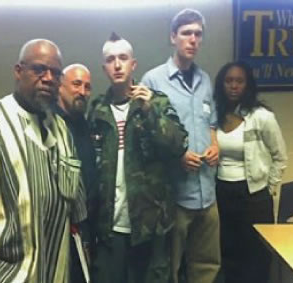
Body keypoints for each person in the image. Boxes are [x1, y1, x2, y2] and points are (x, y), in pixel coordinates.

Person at [0, 39, 86, 283]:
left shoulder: (62, 130)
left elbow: (77, 209)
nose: (48, 78)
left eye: (56, 73)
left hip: (58, 273)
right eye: (39, 69)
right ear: (18, 71)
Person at [88, 32, 188, 283]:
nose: (117, 64)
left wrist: (150, 111)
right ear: (104, 68)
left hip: (150, 225)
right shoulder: (97, 110)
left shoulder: (156, 102)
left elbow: (178, 146)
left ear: (134, 64)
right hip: (110, 227)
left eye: (123, 58)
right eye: (111, 59)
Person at [141, 8, 221, 283]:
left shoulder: (205, 79)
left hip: (207, 193)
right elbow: (145, 141)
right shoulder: (153, 81)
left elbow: (211, 120)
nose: (193, 40)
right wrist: (176, 158)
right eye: (187, 33)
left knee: (207, 266)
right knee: (170, 269)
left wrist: (214, 144)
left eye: (198, 34)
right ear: (173, 37)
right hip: (174, 195)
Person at [213, 61, 287, 283]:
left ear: (247, 85)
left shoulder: (261, 116)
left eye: (239, 81)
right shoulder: (214, 115)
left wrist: (269, 187)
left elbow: (280, 157)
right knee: (228, 252)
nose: (234, 86)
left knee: (255, 255)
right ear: (221, 85)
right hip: (222, 192)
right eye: (229, 81)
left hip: (253, 196)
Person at [55, 63, 97, 283]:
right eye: (77, 84)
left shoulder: (85, 123)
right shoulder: (47, 122)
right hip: (58, 226)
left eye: (88, 87)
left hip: (86, 224)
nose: (82, 92)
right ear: (60, 86)